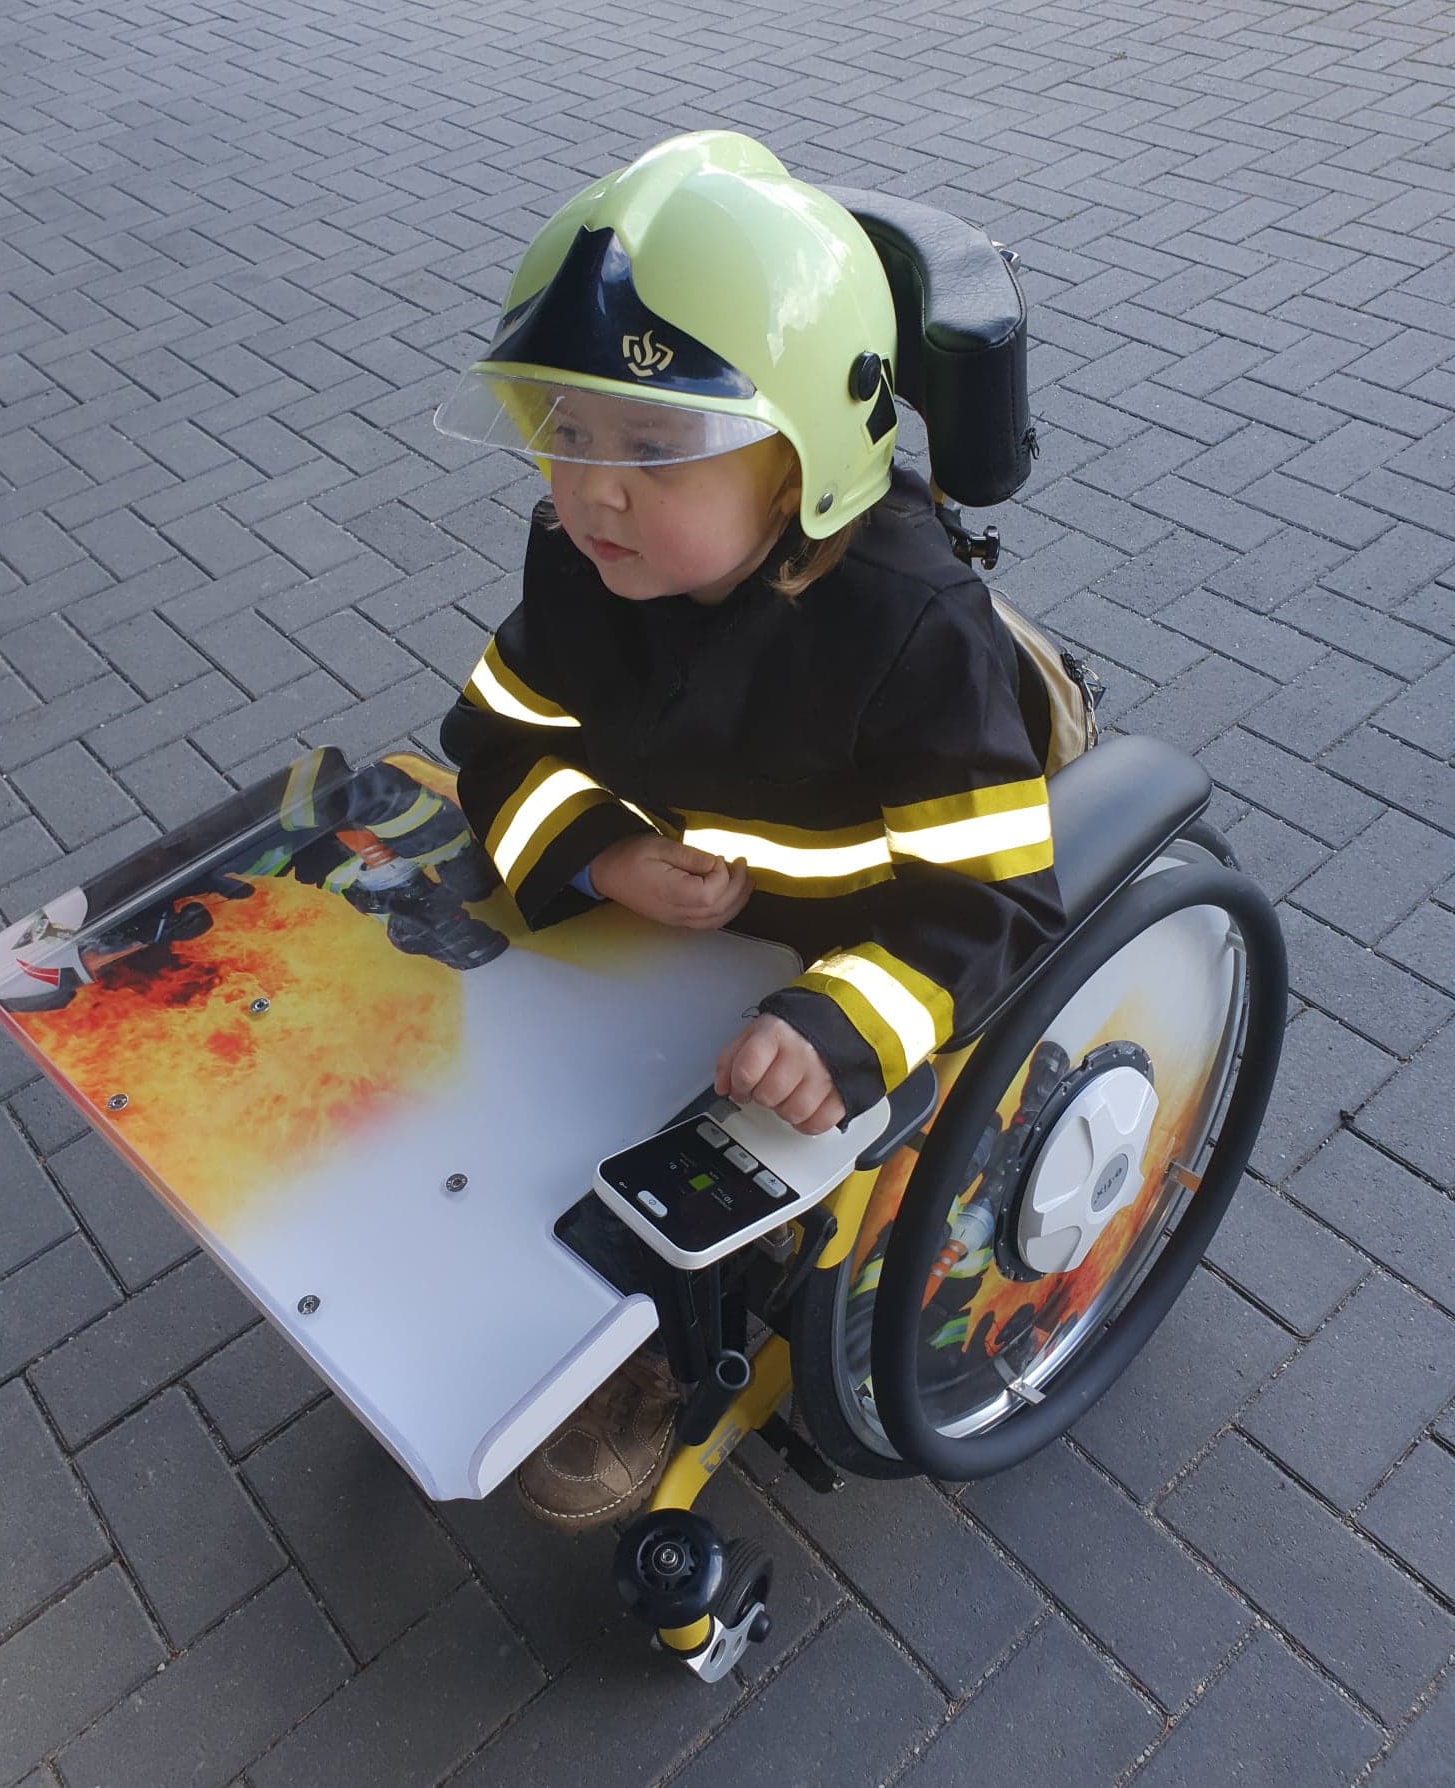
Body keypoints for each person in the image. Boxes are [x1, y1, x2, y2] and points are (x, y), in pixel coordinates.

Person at [435, 130, 1065, 1528]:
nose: (595, 490)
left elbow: (999, 907)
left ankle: (649, 1357)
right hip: (639, 935)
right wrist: (594, 851)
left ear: (802, 457)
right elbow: (493, 740)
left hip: (831, 969)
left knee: (694, 1173)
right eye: (566, 430)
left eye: (658, 448)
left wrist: (842, 1027)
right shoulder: (587, 564)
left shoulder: (911, 629)